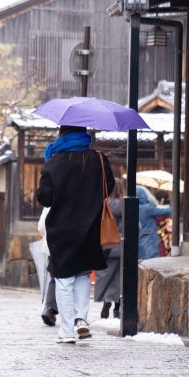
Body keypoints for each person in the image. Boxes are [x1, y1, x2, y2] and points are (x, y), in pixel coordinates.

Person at [36, 125, 114, 344]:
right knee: (82, 275)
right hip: (90, 228)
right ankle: (82, 320)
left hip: (62, 230)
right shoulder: (98, 159)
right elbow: (109, 187)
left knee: (63, 280)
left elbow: (45, 198)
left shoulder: (55, 161)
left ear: (63, 134)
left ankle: (67, 331)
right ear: (83, 134)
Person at [95, 177, 124, 319]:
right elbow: (137, 227)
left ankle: (106, 300)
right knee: (119, 278)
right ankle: (117, 309)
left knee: (106, 276)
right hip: (122, 247)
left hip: (106, 245)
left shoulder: (104, 205)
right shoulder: (127, 204)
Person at [37, 206, 58, 326]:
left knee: (54, 277)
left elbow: (41, 226)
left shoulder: (50, 202)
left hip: (51, 244)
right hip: (71, 244)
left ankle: (49, 309)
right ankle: (77, 314)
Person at [137, 186, 172, 260]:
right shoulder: (147, 208)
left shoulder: (131, 207)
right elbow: (165, 212)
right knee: (151, 262)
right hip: (149, 240)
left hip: (138, 239)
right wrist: (174, 207)